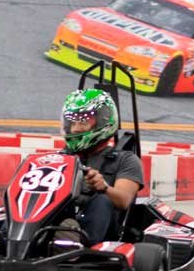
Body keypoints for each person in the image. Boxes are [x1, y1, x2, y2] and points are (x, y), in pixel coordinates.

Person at [61, 88, 144, 244]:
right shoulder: (61, 157)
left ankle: (77, 243)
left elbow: (124, 200)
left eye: (83, 121)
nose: (76, 128)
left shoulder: (126, 159)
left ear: (102, 122)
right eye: (73, 122)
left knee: (102, 200)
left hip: (104, 230)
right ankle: (7, 235)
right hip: (62, 218)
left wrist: (103, 187)